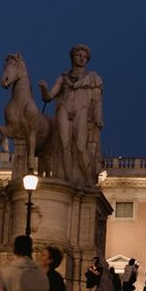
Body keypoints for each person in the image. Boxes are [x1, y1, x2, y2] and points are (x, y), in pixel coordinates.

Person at [39, 44, 103, 187]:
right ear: (72, 57)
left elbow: (98, 101)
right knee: (64, 146)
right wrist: (44, 89)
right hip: (64, 109)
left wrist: (98, 118)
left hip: (82, 111)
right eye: (79, 55)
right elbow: (49, 97)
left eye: (84, 57)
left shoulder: (93, 78)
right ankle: (67, 182)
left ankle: (88, 181)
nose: (82, 58)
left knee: (81, 146)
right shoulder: (63, 78)